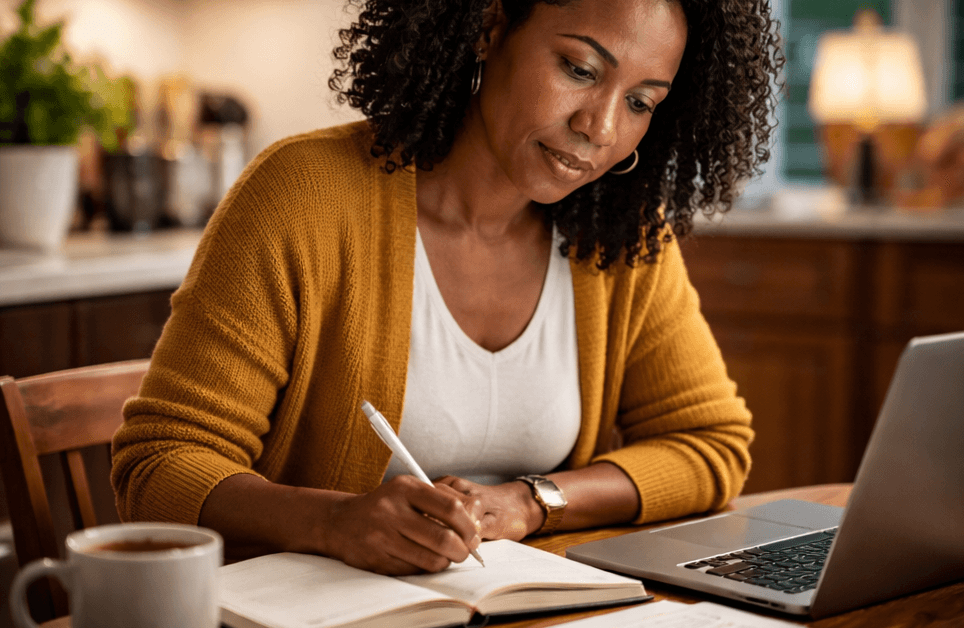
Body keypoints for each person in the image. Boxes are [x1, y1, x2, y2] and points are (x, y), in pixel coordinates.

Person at [111, 0, 783, 576]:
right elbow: (161, 463)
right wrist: (334, 522)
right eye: (579, 70)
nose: (601, 128)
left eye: (640, 102)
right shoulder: (303, 197)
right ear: (490, 26)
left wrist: (529, 501)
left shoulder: (620, 235)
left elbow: (710, 443)